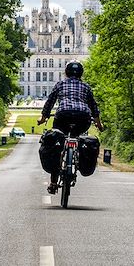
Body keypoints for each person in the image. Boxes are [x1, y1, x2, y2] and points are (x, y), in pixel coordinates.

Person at [37, 60, 102, 194]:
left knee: (57, 145)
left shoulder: (60, 84)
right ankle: (77, 158)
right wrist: (99, 124)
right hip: (83, 118)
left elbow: (50, 102)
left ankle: (54, 182)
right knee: (78, 137)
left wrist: (42, 118)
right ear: (81, 74)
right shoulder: (86, 87)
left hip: (63, 117)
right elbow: (94, 107)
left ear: (66, 73)